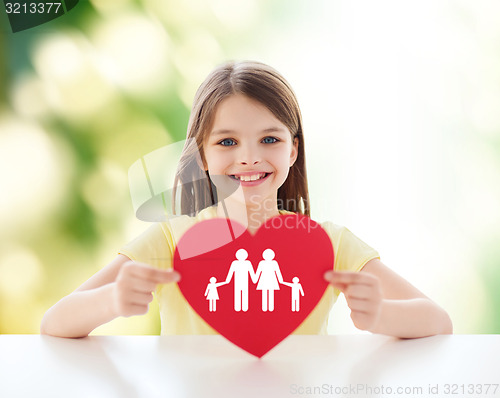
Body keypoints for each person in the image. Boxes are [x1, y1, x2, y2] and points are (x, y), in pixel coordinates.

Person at [40, 61, 453, 338]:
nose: (250, 157)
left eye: (269, 139)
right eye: (227, 142)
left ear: (293, 150)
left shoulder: (331, 243)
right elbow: (54, 323)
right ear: (202, 155)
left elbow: (438, 321)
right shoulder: (169, 241)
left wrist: (382, 314)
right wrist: (112, 300)